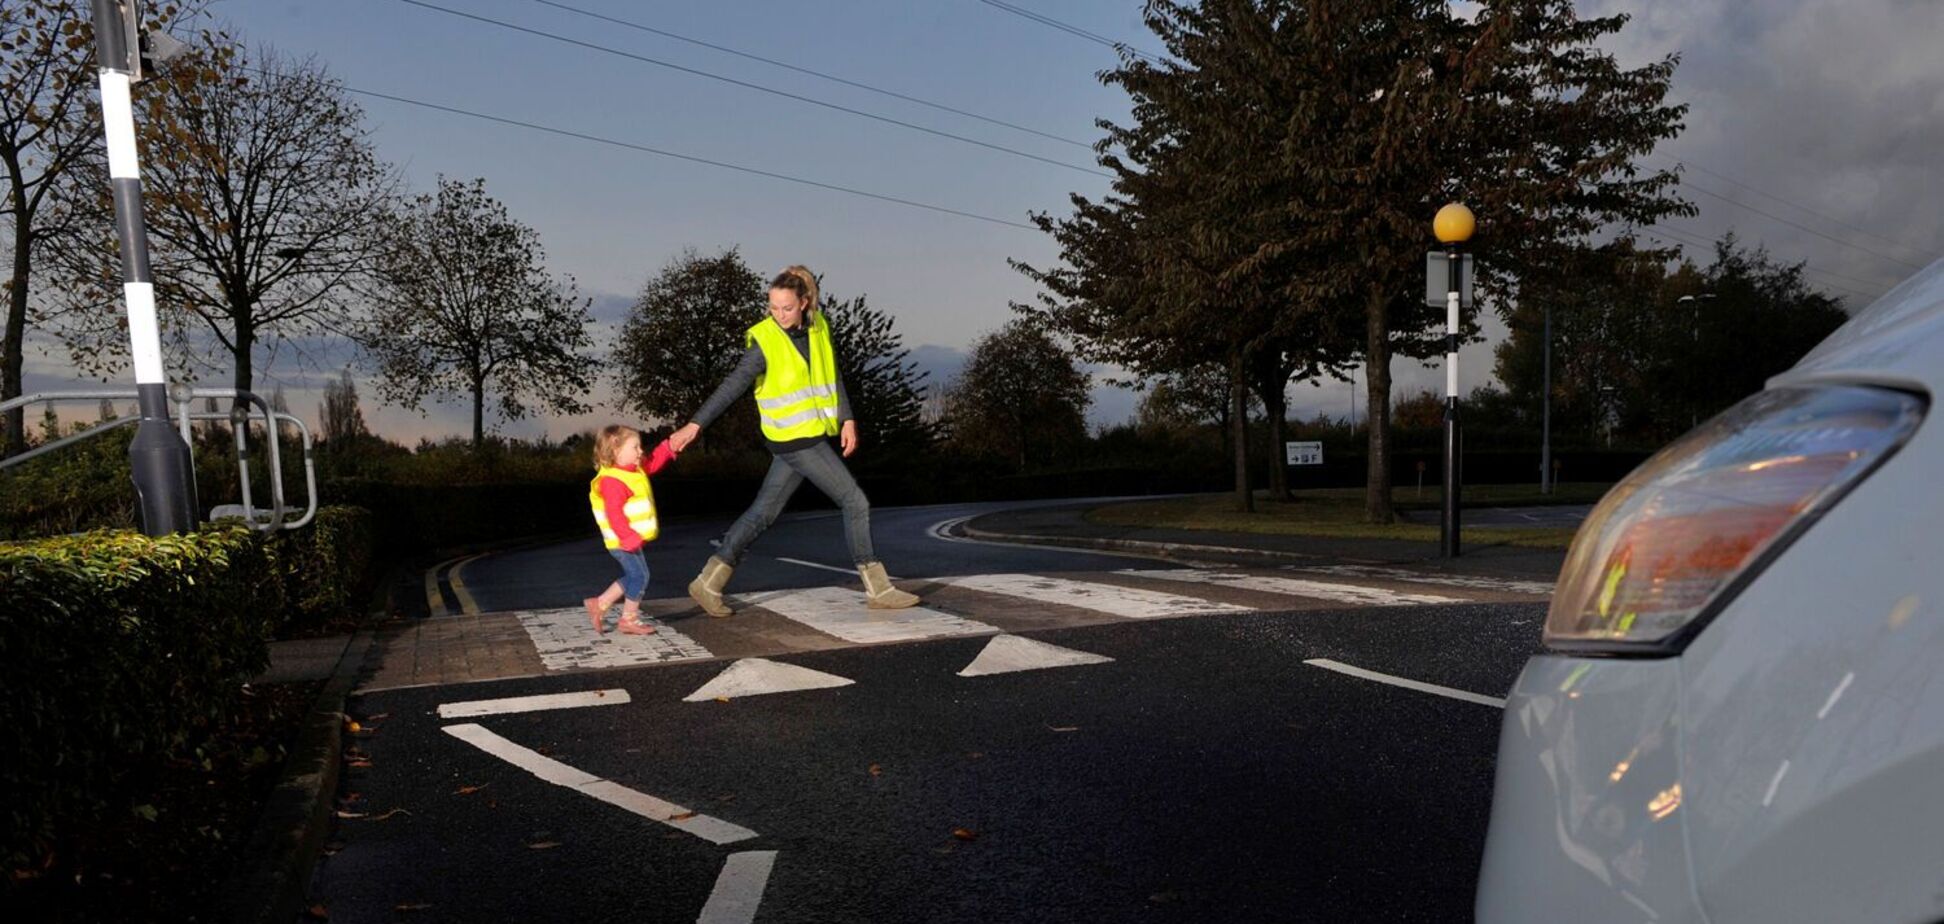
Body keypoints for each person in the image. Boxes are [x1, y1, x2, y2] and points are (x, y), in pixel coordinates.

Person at [668, 265, 920, 615]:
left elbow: (833, 376)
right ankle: (878, 588)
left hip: (806, 435)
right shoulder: (764, 342)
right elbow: (732, 386)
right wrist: (694, 426)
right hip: (796, 440)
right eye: (773, 307)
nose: (779, 315)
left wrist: (847, 417)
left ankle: (708, 582)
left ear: (803, 302)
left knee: (762, 514)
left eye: (786, 307)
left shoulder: (819, 329)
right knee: (855, 501)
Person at [584, 424, 679, 635]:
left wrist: (670, 446)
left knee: (635, 575)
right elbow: (614, 514)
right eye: (635, 447)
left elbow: (652, 463)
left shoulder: (631, 471)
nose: (640, 451)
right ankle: (628, 619)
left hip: (628, 539)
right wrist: (627, 537)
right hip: (621, 541)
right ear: (616, 450)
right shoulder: (612, 481)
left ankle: (599, 604)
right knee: (640, 576)